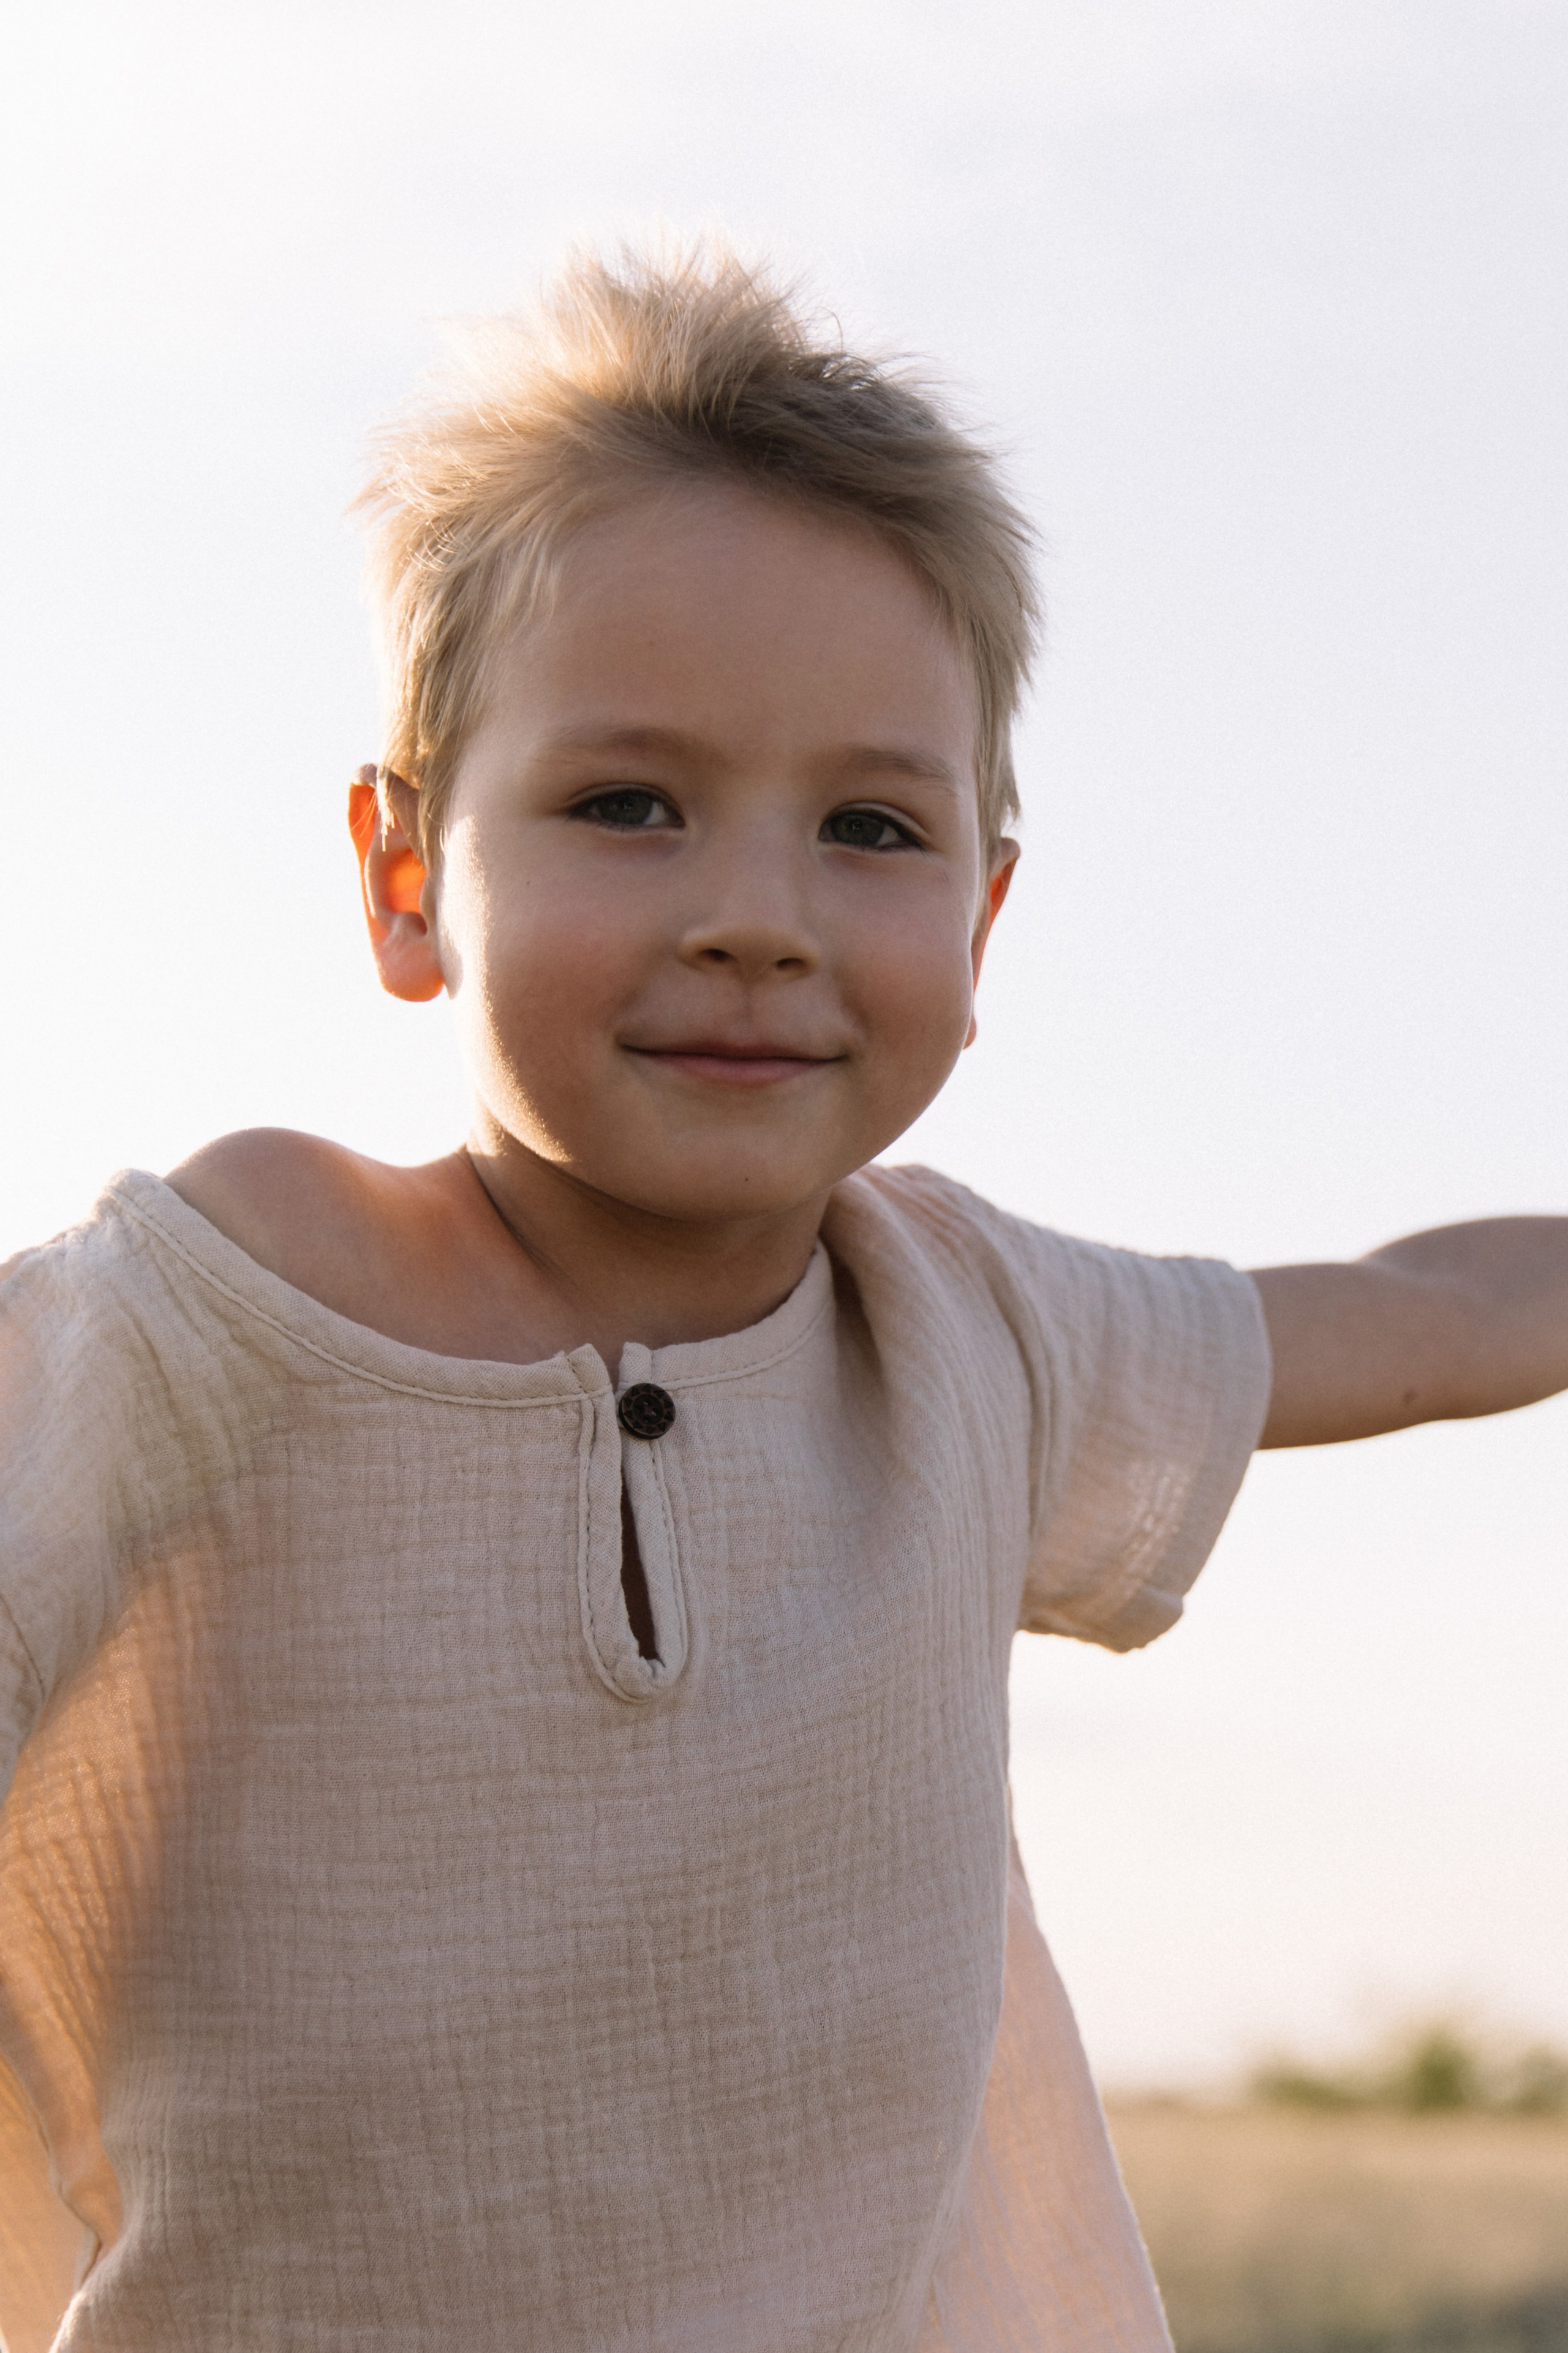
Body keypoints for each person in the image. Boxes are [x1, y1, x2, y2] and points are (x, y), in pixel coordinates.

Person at [1, 246, 1563, 2353]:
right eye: (627, 804)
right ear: (404, 876)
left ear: (986, 910)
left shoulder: (967, 1326)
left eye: (869, 826)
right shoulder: (242, 1298)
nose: (759, 916)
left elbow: (1414, 1315)